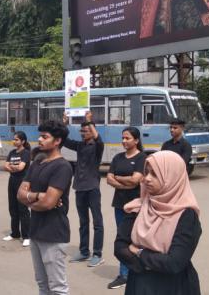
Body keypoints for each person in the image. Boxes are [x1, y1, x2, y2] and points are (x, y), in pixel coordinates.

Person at [114, 151, 202, 295]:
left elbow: (175, 262)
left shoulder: (186, 215)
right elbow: (119, 248)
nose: (147, 178)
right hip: (139, 284)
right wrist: (152, 263)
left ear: (172, 177)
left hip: (173, 287)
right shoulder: (139, 206)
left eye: (155, 174)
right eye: (146, 172)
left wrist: (139, 252)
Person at [17, 120, 73, 295]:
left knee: (57, 287)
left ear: (57, 141)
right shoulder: (37, 163)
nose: (39, 140)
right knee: (42, 284)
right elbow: (20, 194)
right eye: (40, 136)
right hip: (36, 231)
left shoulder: (63, 166)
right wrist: (37, 196)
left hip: (53, 233)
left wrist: (31, 200)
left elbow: (49, 203)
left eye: (44, 137)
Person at [63, 111, 105, 267]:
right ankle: (84, 251)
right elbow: (65, 141)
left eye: (85, 131)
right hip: (79, 187)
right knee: (83, 222)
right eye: (81, 131)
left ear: (92, 131)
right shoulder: (80, 145)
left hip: (92, 187)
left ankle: (98, 254)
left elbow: (98, 138)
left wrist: (89, 121)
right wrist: (65, 123)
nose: (82, 133)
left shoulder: (97, 146)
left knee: (97, 222)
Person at [106, 127, 146, 289]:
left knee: (138, 238)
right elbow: (109, 179)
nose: (124, 141)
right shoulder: (117, 157)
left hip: (137, 205)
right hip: (119, 205)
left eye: (127, 138)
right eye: (123, 138)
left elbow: (136, 181)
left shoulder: (142, 158)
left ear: (136, 140)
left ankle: (139, 270)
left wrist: (118, 178)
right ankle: (124, 274)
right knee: (122, 239)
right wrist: (124, 182)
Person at [3, 131, 31, 246]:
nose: (14, 141)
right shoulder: (12, 152)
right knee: (13, 208)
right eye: (13, 139)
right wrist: (13, 167)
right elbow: (5, 166)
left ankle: (27, 236)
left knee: (23, 209)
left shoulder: (26, 153)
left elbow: (21, 168)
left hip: (22, 182)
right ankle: (15, 233)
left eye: (16, 139)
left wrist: (11, 167)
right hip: (12, 181)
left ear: (22, 141)